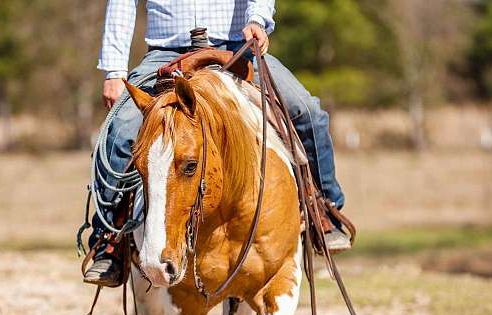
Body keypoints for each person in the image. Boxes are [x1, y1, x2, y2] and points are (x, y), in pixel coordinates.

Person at [84, 0, 350, 288]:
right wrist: (113, 71)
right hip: (166, 55)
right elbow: (122, 4)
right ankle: (109, 239)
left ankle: (324, 208)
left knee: (307, 112)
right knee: (120, 130)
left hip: (235, 48)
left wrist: (258, 21)